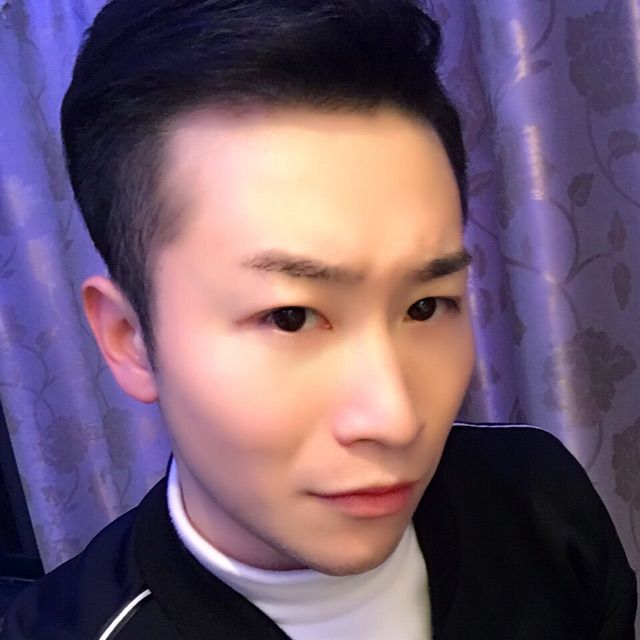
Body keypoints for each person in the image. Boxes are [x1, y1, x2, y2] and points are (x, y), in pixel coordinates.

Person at [1, 0, 636, 638]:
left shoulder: (540, 502)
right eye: (291, 317)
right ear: (129, 339)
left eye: (424, 306)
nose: (394, 419)